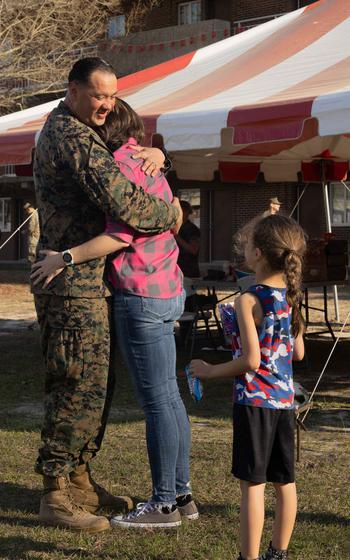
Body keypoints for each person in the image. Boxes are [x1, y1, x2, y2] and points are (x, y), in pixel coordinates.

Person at [31, 57, 182, 533]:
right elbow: (125, 202)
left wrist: (161, 157)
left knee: (96, 385)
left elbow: (127, 168)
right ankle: (56, 491)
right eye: (99, 95)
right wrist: (173, 212)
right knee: (75, 383)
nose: (107, 105)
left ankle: (79, 479)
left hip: (90, 281)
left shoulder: (80, 129)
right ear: (73, 90)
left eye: (113, 95)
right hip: (70, 284)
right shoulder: (70, 137)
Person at [189, 214, 307, 560]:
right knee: (285, 483)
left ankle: (248, 557)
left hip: (255, 404)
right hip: (285, 403)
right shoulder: (290, 295)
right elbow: (297, 352)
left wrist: (209, 371)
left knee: (252, 486)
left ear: (256, 253)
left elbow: (251, 362)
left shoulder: (247, 299)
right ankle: (278, 553)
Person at [175, 200, 201, 279]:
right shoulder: (176, 227)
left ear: (185, 212)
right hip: (176, 271)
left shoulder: (192, 229)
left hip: (188, 272)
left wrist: (176, 236)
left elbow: (193, 250)